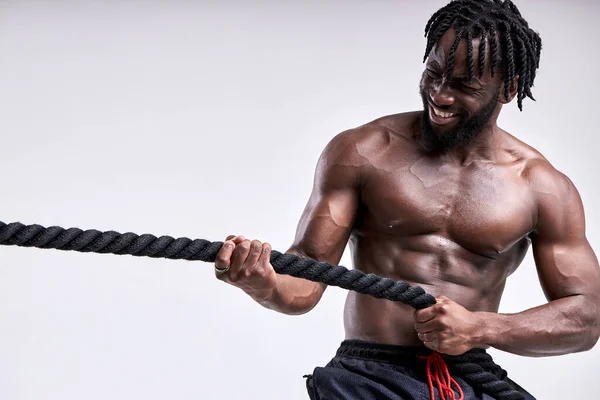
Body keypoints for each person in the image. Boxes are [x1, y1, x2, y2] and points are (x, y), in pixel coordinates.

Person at [213, 0, 600, 399]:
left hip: (467, 375)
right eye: (433, 74)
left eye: (464, 86)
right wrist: (264, 283)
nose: (440, 96)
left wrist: (482, 328)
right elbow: (308, 274)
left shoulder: (542, 186)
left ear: (509, 87)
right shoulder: (363, 151)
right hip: (367, 376)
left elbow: (586, 319)